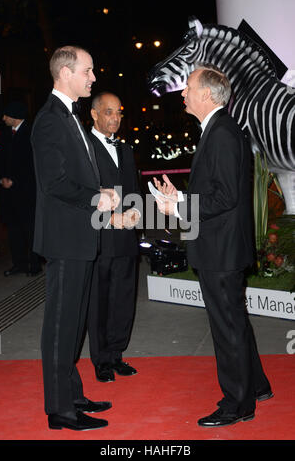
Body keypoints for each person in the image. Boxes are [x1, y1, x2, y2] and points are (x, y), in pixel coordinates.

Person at [154, 62, 273, 428]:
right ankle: (257, 386)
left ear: (207, 93)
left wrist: (177, 206)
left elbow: (223, 198)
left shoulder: (221, 132)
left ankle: (237, 404)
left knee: (227, 326)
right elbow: (220, 191)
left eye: (188, 86)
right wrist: (184, 195)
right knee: (234, 320)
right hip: (221, 246)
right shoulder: (219, 129)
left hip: (219, 249)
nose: (183, 92)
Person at [31, 46, 120, 431]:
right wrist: (95, 197)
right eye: (88, 70)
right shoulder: (51, 119)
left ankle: (73, 395)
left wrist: (101, 190)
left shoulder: (69, 117)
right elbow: (54, 183)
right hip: (66, 238)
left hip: (79, 236)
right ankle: (60, 411)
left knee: (73, 323)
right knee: (60, 326)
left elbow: (75, 175)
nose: (93, 77)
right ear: (66, 73)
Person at [87, 92, 140, 383]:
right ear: (95, 115)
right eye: (109, 112)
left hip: (126, 238)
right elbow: (84, 195)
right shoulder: (85, 148)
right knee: (100, 301)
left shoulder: (126, 149)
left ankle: (117, 354)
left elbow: (133, 188)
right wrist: (109, 220)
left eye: (118, 112)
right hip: (100, 238)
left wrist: (136, 214)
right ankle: (102, 360)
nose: (115, 118)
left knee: (123, 298)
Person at [0, 101, 42, 276]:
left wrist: (14, 180)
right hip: (8, 193)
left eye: (6, 114)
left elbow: (31, 164)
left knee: (30, 230)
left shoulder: (31, 133)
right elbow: (0, 159)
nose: (3, 118)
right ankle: (19, 264)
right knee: (14, 230)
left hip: (26, 192)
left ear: (14, 115)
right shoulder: (6, 134)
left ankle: (34, 264)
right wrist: (2, 178)